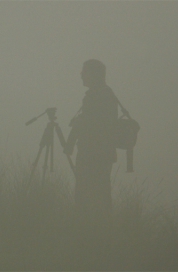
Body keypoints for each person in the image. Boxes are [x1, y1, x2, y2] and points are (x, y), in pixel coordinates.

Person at [64, 59, 118, 223]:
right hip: (93, 154)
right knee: (90, 198)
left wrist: (80, 125)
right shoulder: (99, 95)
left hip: (96, 156)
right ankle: (91, 233)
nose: (81, 75)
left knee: (95, 199)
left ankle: (94, 236)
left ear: (94, 74)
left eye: (84, 72)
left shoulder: (103, 96)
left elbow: (100, 126)